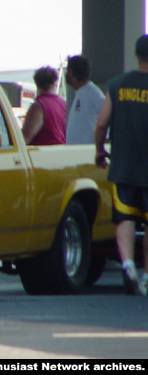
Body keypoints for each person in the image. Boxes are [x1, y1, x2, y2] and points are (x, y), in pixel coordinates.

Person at [95, 34, 148, 296]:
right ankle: (147, 276)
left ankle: (128, 266)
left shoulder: (117, 85)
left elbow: (102, 122)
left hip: (123, 166)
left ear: (137, 55)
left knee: (125, 218)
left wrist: (99, 149)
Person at [22, 66, 67, 145]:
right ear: (54, 82)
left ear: (37, 83)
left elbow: (25, 137)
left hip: (41, 154)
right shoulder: (64, 104)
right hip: (61, 151)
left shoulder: (39, 107)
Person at [66, 55, 105, 144]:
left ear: (71, 74)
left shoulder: (91, 92)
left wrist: (104, 139)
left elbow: (109, 113)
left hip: (85, 153)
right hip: (77, 153)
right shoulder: (81, 92)